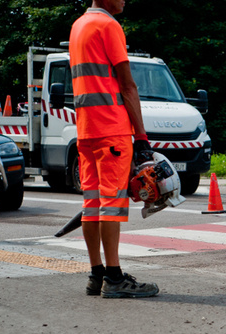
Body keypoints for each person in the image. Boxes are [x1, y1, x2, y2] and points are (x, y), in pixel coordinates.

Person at [70, 0, 159, 298]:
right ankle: (115, 277)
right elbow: (127, 85)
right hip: (111, 128)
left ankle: (96, 274)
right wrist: (142, 137)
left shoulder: (78, 26)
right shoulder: (108, 25)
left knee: (92, 203)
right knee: (112, 203)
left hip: (86, 130)